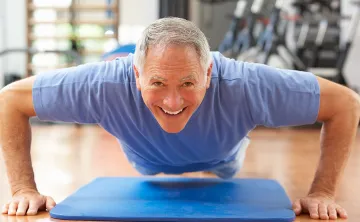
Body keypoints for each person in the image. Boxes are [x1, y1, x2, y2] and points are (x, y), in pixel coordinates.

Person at [0, 17, 359, 220]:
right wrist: (23, 189)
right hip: (146, 159)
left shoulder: (247, 84)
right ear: (136, 75)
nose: (173, 100)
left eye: (188, 82)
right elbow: (11, 100)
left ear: (209, 72)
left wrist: (323, 192)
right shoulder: (103, 85)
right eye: (157, 82)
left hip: (222, 157)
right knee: (150, 164)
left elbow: (345, 104)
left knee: (226, 165)